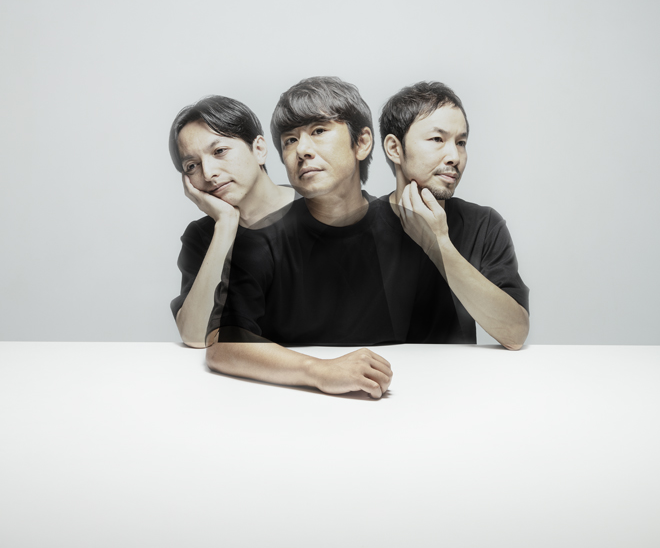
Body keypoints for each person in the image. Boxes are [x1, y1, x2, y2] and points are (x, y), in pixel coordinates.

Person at [205, 76, 473, 398]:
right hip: (291, 406)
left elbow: (447, 354)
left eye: (319, 131)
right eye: (290, 140)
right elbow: (222, 344)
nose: (302, 150)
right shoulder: (259, 240)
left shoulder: (411, 228)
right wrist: (319, 370)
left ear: (362, 143)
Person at [379, 81, 529, 350]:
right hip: (378, 373)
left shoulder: (484, 225)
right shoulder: (357, 225)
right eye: (437, 139)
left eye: (461, 143)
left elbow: (515, 334)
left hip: (458, 375)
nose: (454, 156)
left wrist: (439, 244)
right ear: (394, 148)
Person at [169, 95, 295, 348]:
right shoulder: (202, 235)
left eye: (219, 151)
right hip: (241, 369)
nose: (208, 173)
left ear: (258, 149)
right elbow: (195, 336)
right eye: (192, 165)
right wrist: (226, 224)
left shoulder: (321, 210)